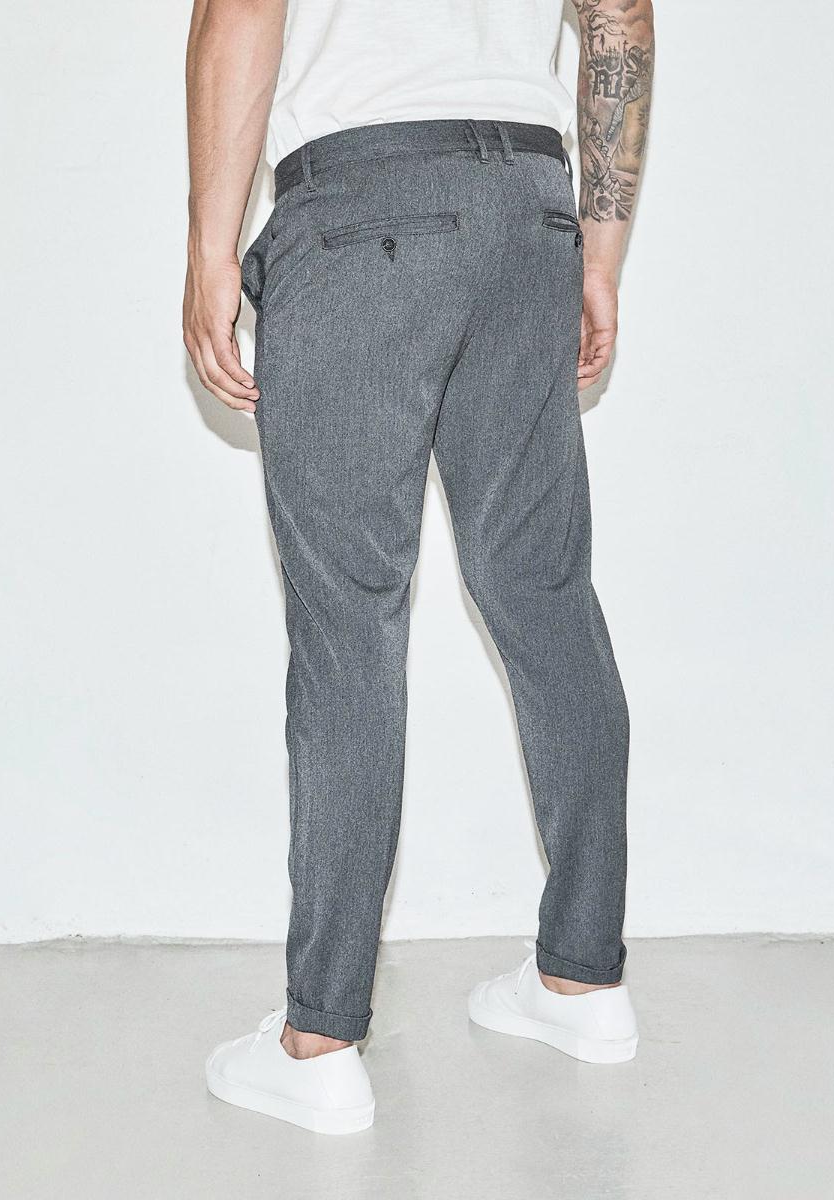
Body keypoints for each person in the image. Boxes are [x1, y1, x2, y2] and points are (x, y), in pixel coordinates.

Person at [184, 0, 654, 1135]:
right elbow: (621, 16)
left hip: (363, 205)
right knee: (544, 593)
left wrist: (208, 249)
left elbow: (238, 10)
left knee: (349, 624)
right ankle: (582, 979)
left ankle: (318, 1041)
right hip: (532, 203)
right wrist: (595, 256)